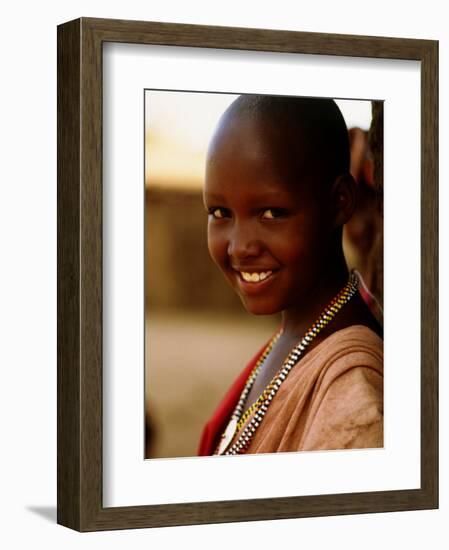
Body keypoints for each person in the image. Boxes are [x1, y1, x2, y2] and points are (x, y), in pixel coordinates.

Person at [197, 95, 383, 457]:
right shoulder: (296, 333)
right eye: (220, 212)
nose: (239, 247)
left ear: (341, 201)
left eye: (271, 213)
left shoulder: (353, 398)